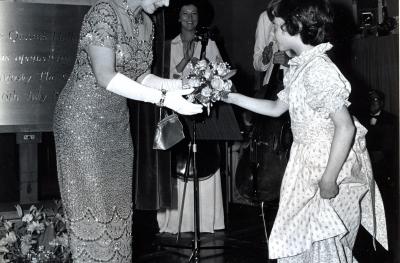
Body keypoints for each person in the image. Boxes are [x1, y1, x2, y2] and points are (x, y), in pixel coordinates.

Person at [222, 0, 387, 261]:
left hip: (324, 162)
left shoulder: (318, 69)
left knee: (322, 242)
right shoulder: (300, 66)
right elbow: (277, 108)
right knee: (305, 242)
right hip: (304, 160)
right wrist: (231, 97)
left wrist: (329, 179)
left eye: (276, 27)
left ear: (294, 26)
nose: (273, 34)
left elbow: (344, 128)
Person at [52, 0, 203, 261]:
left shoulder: (146, 22)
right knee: (95, 213)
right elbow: (105, 76)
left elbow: (141, 76)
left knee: (118, 215)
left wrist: (182, 86)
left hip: (117, 125)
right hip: (82, 124)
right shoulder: (103, 12)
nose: (166, 2)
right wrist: (164, 99)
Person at [157, 0, 225, 234]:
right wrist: (187, 59)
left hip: (202, 110)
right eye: (185, 13)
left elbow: (220, 72)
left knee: (204, 162)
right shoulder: (169, 45)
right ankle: (175, 224)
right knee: (177, 162)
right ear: (178, 18)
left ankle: (206, 222)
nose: (189, 18)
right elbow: (165, 77)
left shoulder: (209, 43)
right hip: (176, 109)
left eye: (194, 14)